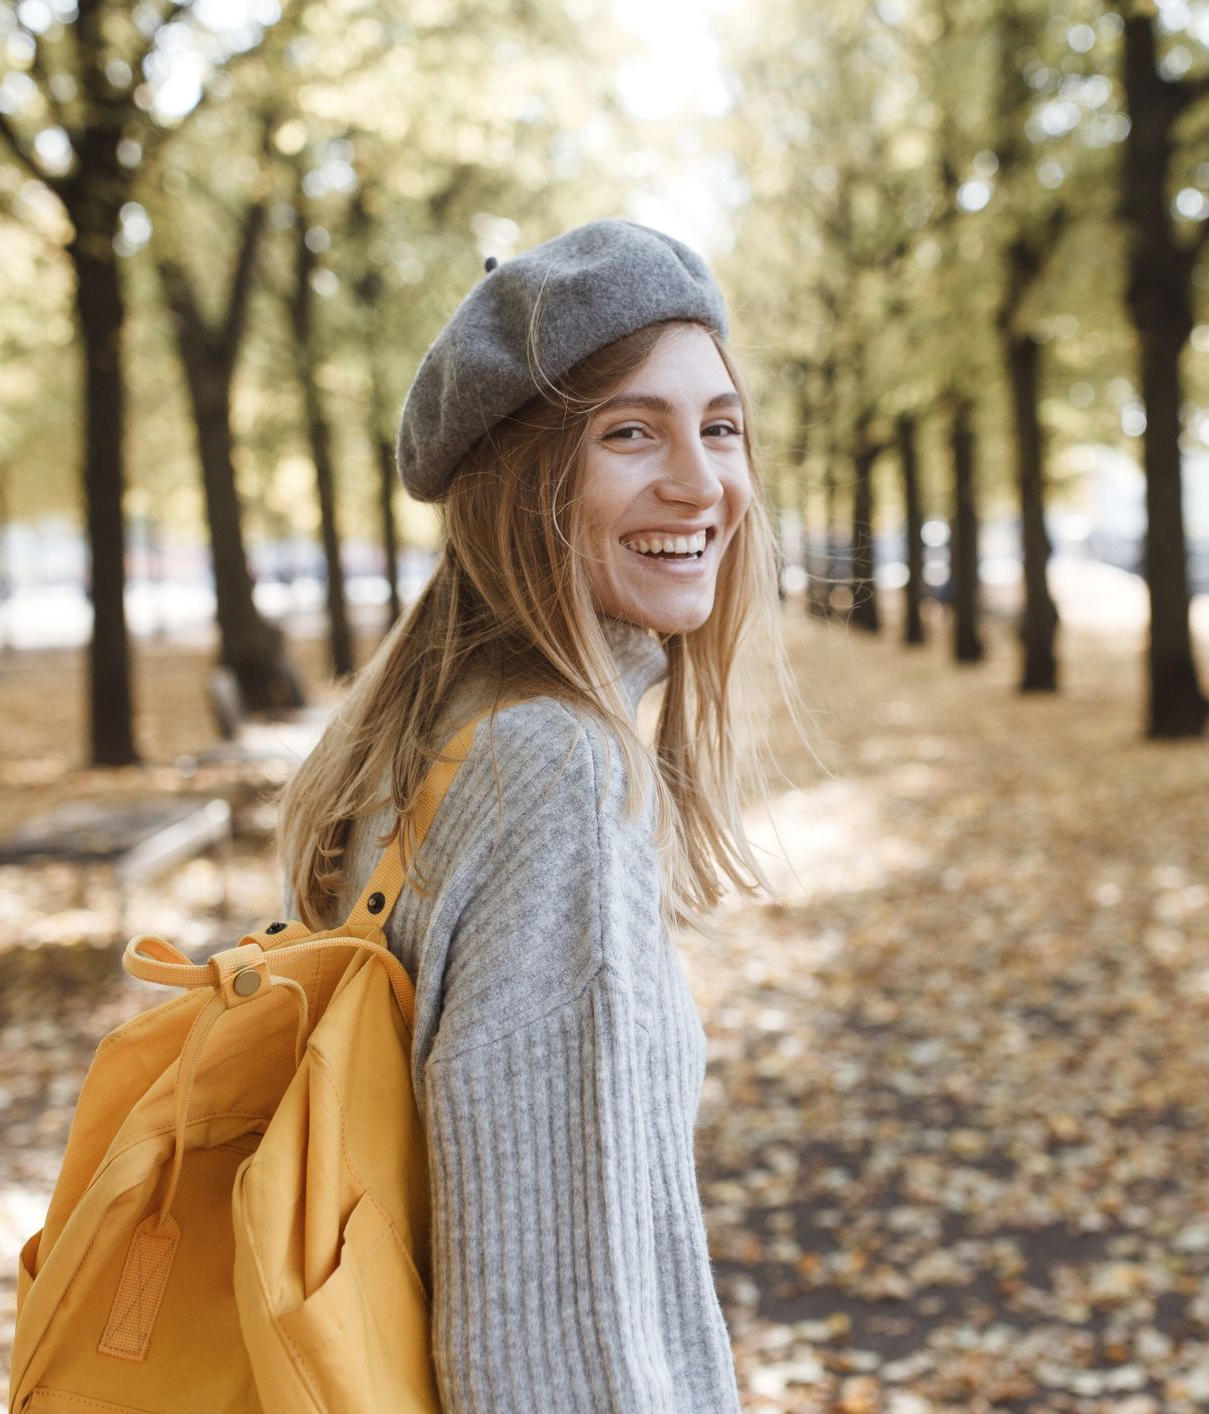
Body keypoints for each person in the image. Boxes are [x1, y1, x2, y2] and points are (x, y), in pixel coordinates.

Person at [273, 218, 801, 1411]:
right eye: (630, 432)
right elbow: (564, 1339)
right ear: (521, 479)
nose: (702, 482)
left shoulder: (425, 732)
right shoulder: (552, 769)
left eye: (720, 426)